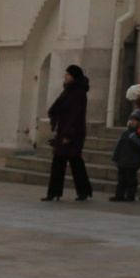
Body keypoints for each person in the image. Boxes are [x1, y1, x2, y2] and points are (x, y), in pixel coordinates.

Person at [43, 66, 91, 201]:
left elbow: (76, 115)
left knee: (75, 162)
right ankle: (53, 192)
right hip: (63, 129)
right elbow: (58, 107)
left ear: (74, 77)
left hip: (72, 133)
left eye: (68, 75)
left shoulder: (79, 93)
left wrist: (68, 135)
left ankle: (83, 191)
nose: (66, 77)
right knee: (58, 162)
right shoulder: (68, 90)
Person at [108, 110, 140, 202]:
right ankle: (119, 195)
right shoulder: (125, 133)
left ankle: (130, 195)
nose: (132, 122)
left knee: (131, 180)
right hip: (122, 160)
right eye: (131, 120)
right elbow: (119, 145)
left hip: (133, 162)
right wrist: (115, 157)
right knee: (121, 180)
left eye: (135, 120)